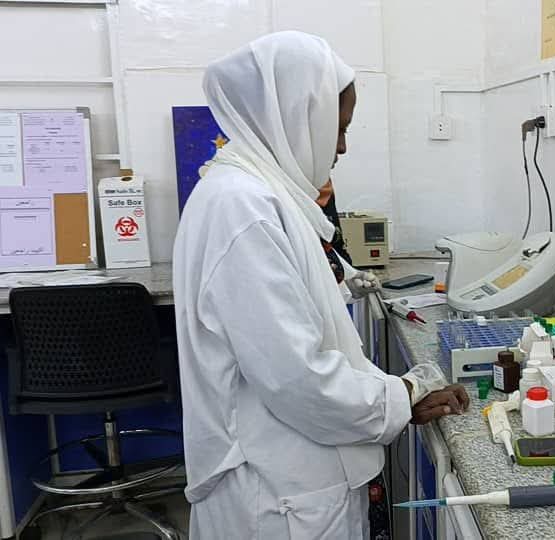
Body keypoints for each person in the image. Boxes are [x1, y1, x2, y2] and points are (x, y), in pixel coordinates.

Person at [173, 32, 468, 539]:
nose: (342, 146)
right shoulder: (242, 209)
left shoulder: (258, 194)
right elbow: (299, 378)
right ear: (295, 116)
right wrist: (402, 394)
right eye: (338, 127)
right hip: (277, 494)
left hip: (292, 478)